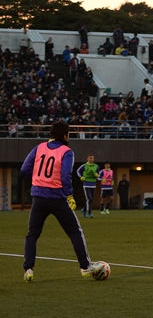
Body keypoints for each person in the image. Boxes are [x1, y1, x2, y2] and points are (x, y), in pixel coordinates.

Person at [21, 120, 99, 282]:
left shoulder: (39, 147)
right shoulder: (66, 151)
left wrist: (37, 182)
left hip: (39, 199)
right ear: (65, 135)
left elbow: (24, 169)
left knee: (32, 235)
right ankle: (85, 267)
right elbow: (65, 175)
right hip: (57, 199)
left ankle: (28, 269)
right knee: (75, 232)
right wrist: (69, 195)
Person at [77, 154, 99, 218]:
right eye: (90, 158)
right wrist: (81, 177)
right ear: (87, 159)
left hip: (93, 184)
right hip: (86, 184)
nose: (91, 159)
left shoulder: (96, 166)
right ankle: (90, 212)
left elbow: (99, 174)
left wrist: (97, 175)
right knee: (89, 199)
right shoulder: (84, 166)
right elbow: (78, 171)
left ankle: (83, 209)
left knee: (90, 200)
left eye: (92, 158)